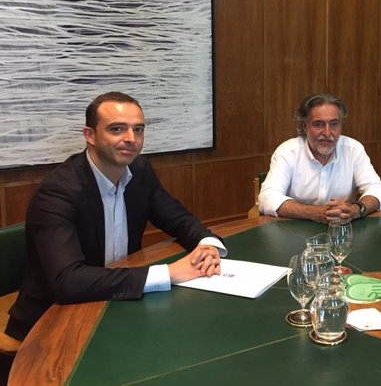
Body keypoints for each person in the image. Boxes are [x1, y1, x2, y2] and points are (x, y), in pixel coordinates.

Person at [5, 92, 227, 341]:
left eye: (138, 129)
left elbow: (178, 219)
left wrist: (207, 245)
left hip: (117, 306)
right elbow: (68, 281)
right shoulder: (57, 192)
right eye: (117, 129)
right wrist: (170, 273)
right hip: (52, 322)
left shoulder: (139, 171)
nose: (131, 139)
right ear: (90, 135)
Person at [259, 93, 381, 223]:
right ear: (305, 126)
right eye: (318, 124)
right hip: (295, 231)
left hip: (341, 232)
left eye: (334, 124)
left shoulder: (353, 149)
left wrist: (356, 210)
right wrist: (315, 213)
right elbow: (267, 197)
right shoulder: (287, 152)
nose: (327, 133)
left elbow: (377, 190)